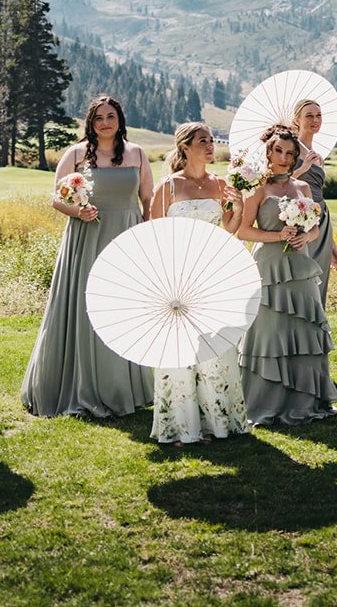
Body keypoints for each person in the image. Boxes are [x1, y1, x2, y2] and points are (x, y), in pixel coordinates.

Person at [21, 95, 154, 418]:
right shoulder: (77, 154)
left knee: (122, 307)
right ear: (90, 123)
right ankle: (79, 385)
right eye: (98, 118)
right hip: (87, 235)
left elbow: (148, 200)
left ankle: (124, 386)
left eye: (111, 116)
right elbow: (56, 199)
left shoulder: (137, 153)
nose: (105, 123)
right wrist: (77, 212)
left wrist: (144, 232)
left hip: (126, 237)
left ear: (120, 119)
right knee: (84, 306)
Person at [147, 122, 250, 445]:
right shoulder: (168, 187)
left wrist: (240, 208)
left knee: (214, 348)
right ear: (185, 147)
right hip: (177, 274)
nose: (210, 145)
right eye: (203, 141)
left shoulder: (221, 184)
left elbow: (228, 230)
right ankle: (180, 426)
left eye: (211, 140)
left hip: (212, 273)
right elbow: (153, 234)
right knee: (180, 350)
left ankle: (216, 423)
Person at [238, 123, 337, 426]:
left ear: (296, 157)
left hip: (301, 266)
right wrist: (278, 236)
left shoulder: (303, 189)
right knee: (269, 333)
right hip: (268, 267)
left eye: (290, 153)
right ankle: (264, 401)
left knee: (305, 330)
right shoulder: (257, 188)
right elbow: (244, 230)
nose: (283, 157)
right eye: (278, 151)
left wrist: (306, 238)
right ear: (268, 153)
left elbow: (316, 226)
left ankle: (307, 400)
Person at [292, 99, 337, 306]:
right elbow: (278, 183)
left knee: (319, 280)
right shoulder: (290, 149)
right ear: (297, 119)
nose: (315, 120)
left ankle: (316, 335)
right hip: (299, 219)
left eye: (318, 115)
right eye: (309, 116)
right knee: (303, 279)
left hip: (322, 220)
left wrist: (331, 243)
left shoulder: (319, 157)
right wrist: (303, 168)